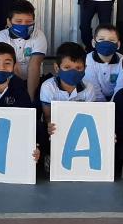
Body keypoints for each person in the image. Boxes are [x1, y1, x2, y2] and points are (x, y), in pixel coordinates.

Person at [40, 42, 99, 173]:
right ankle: (49, 155)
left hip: (80, 131)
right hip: (55, 129)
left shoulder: (88, 88)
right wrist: (50, 126)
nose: (73, 72)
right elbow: (48, 116)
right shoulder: (48, 87)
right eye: (67, 67)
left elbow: (91, 116)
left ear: (85, 68)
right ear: (57, 67)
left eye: (78, 68)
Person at [0, 0, 48, 101]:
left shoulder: (38, 35)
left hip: (33, 80)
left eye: (29, 22)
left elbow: (34, 66)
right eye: (18, 21)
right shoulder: (0, 37)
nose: (24, 25)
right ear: (9, 22)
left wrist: (29, 100)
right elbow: (13, 67)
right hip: (8, 79)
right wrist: (21, 97)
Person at [82, 23, 123, 102]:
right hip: (95, 99)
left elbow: (121, 87)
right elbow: (94, 88)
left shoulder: (122, 60)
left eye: (111, 40)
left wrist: (113, 104)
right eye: (101, 39)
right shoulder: (88, 60)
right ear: (94, 43)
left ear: (118, 45)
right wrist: (105, 107)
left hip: (116, 99)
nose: (106, 43)